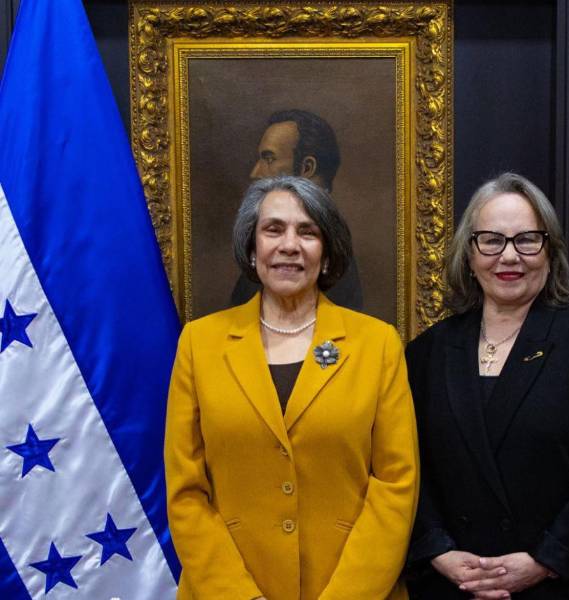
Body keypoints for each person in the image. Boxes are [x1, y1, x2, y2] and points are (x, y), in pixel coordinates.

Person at [166, 175, 419, 599]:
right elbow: (185, 491)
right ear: (252, 248)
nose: (289, 245)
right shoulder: (199, 343)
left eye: (308, 231)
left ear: (327, 250)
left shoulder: (378, 345)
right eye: (273, 229)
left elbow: (396, 486)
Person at [405, 172, 569, 600]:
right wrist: (436, 549)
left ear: (550, 253)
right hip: (454, 584)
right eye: (491, 240)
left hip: (565, 584)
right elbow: (400, 465)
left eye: (528, 240)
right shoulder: (426, 352)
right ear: (469, 255)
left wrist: (544, 560)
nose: (509, 257)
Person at [231, 109, 363, 310]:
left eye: (269, 159)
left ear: (307, 168)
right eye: (274, 230)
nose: (255, 173)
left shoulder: (337, 273)